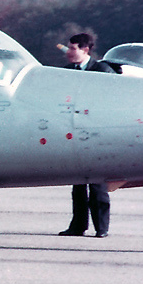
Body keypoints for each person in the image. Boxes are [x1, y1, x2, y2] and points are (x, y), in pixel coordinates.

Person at [59, 33, 116, 238]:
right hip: (75, 135)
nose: (68, 52)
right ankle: (78, 226)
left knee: (98, 184)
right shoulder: (66, 73)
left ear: (85, 50)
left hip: (97, 134)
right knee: (78, 185)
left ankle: (102, 228)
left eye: (72, 48)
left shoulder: (102, 71)